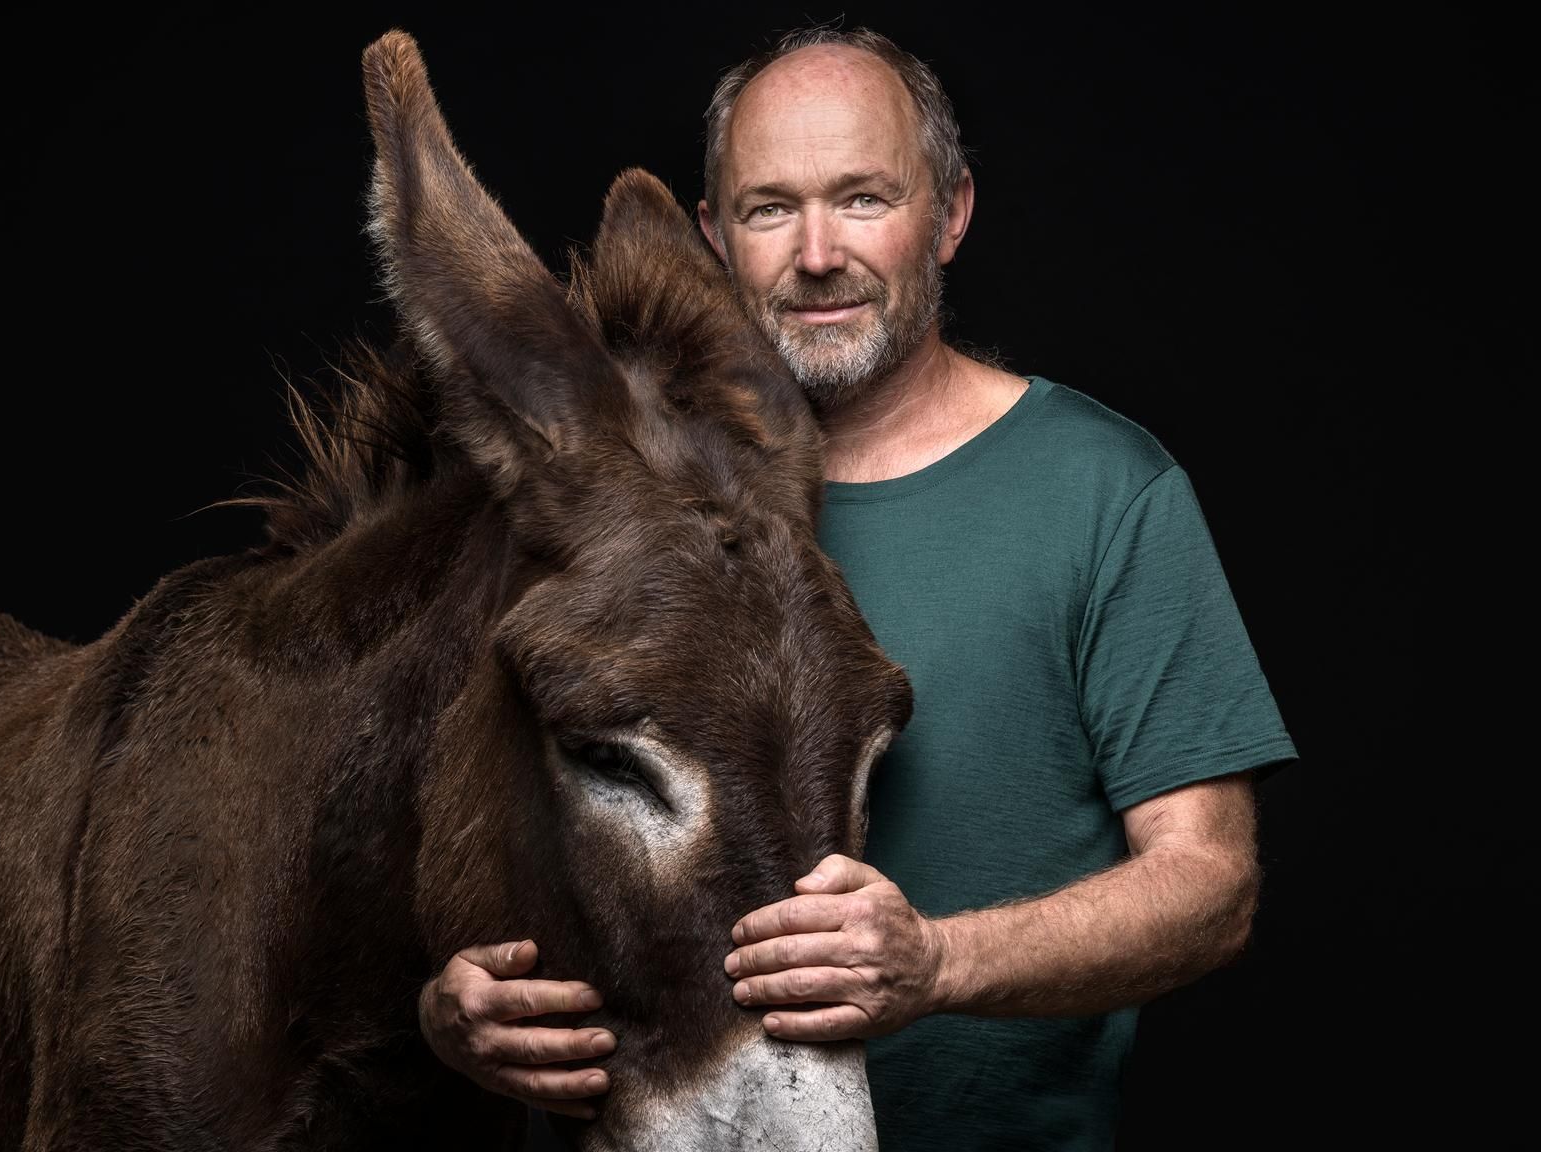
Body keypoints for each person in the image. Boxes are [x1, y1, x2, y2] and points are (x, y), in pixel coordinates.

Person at [416, 25, 1298, 1151]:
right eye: (768, 208)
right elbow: (460, 821)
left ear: (950, 213)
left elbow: (1208, 885)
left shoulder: (1101, 491)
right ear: (711, 240)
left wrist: (937, 962)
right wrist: (451, 1010)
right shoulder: (592, 510)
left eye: (863, 198)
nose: (817, 252)